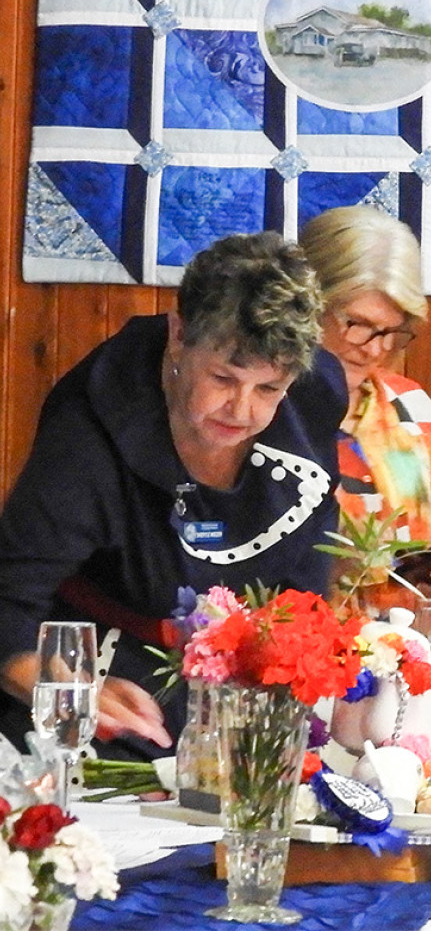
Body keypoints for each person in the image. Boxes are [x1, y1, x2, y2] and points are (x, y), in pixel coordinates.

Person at [0, 231, 345, 759]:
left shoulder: (314, 395)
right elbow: (10, 599)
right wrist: (72, 691)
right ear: (178, 334)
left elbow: (308, 569)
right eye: (223, 378)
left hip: (241, 700)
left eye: (268, 389)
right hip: (104, 685)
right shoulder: (91, 425)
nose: (243, 409)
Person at [298, 205, 431, 605]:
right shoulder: (260, 409)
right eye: (357, 323)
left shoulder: (407, 405)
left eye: (392, 332)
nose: (376, 349)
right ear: (306, 305)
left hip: (405, 653)